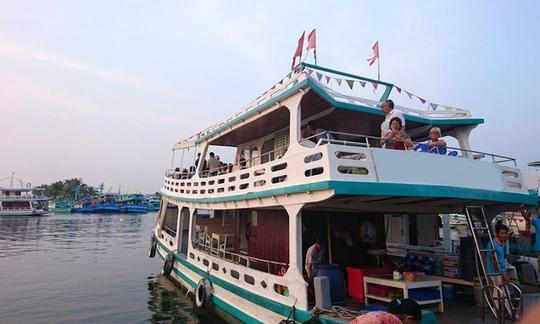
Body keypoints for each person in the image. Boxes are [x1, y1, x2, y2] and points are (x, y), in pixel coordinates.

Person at [486, 223, 513, 316]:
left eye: (505, 233)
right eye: (502, 233)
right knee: (504, 292)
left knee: (496, 291)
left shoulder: (502, 243)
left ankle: (496, 309)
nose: (504, 235)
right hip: (495, 271)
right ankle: (510, 312)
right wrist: (503, 274)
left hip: (499, 270)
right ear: (498, 233)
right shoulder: (494, 244)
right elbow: (495, 260)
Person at [521, 204, 540, 273]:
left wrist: (522, 209)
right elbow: (527, 218)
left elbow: (527, 218)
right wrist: (522, 209)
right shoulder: (537, 221)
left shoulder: (537, 221)